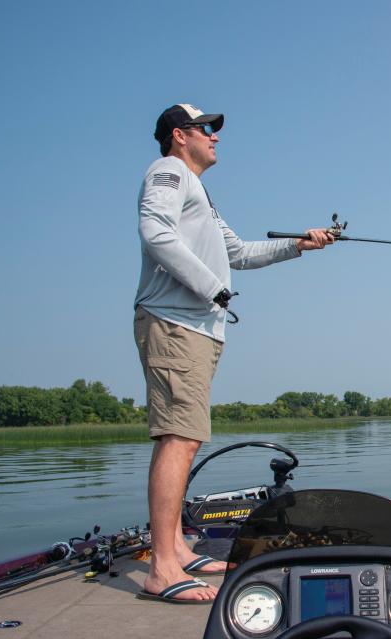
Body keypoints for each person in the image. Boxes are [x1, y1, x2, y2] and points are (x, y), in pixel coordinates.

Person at [133, 104, 333, 603]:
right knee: (178, 437)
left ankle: (177, 547)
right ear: (180, 136)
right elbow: (155, 233)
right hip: (176, 321)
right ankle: (161, 568)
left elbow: (239, 253)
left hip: (197, 327)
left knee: (189, 436)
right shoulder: (168, 171)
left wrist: (298, 245)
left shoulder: (199, 190)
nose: (215, 137)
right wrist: (212, 290)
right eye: (206, 129)